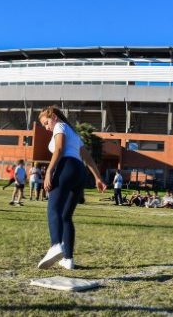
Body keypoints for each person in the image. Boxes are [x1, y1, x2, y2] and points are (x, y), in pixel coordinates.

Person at [37, 106, 106, 270]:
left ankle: (55, 246)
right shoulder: (73, 133)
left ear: (53, 117)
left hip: (66, 167)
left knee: (53, 208)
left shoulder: (59, 126)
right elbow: (86, 156)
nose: (47, 128)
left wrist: (49, 172)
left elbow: (59, 149)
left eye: (46, 123)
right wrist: (97, 177)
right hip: (79, 172)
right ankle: (68, 259)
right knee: (66, 216)